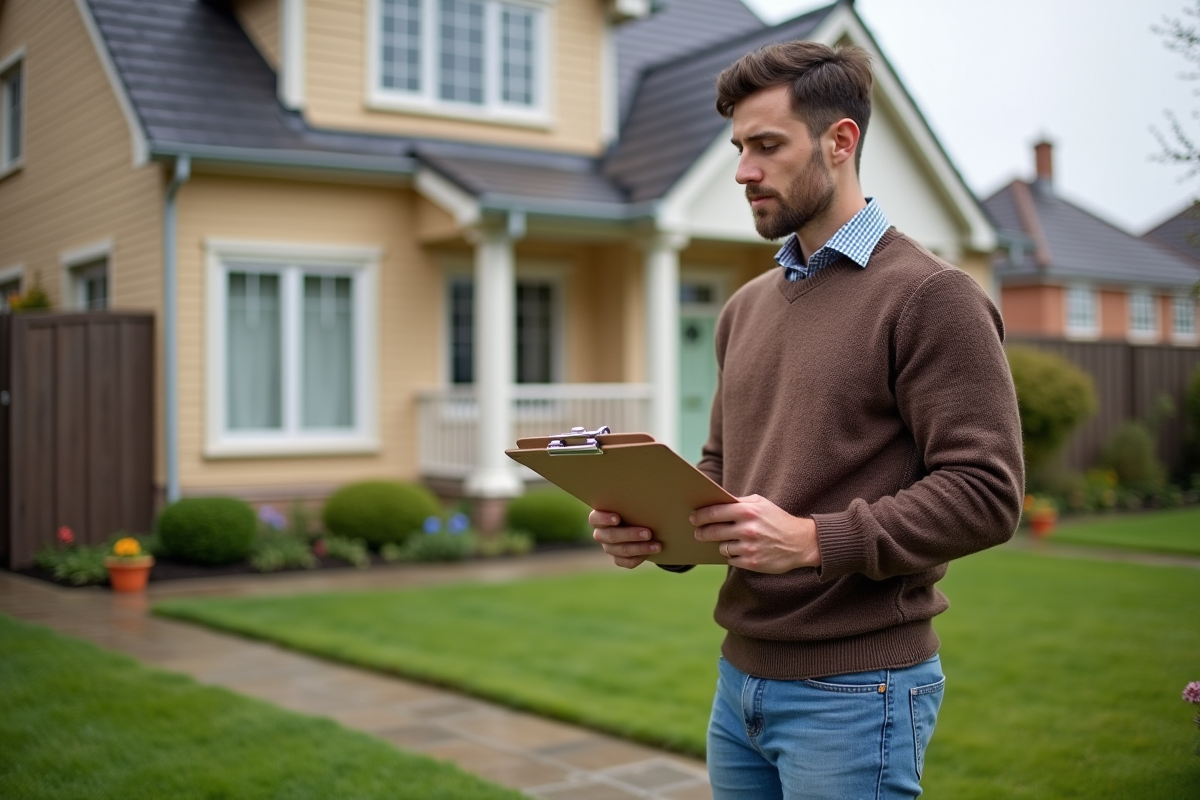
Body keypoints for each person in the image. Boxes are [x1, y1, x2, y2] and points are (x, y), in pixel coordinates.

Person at [590, 41, 1024, 800]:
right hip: (741, 681)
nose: (743, 172)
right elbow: (725, 474)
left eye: (766, 146)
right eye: (738, 148)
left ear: (840, 140)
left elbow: (987, 492)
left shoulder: (930, 297)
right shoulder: (744, 309)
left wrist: (815, 540)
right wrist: (656, 529)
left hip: (861, 692)